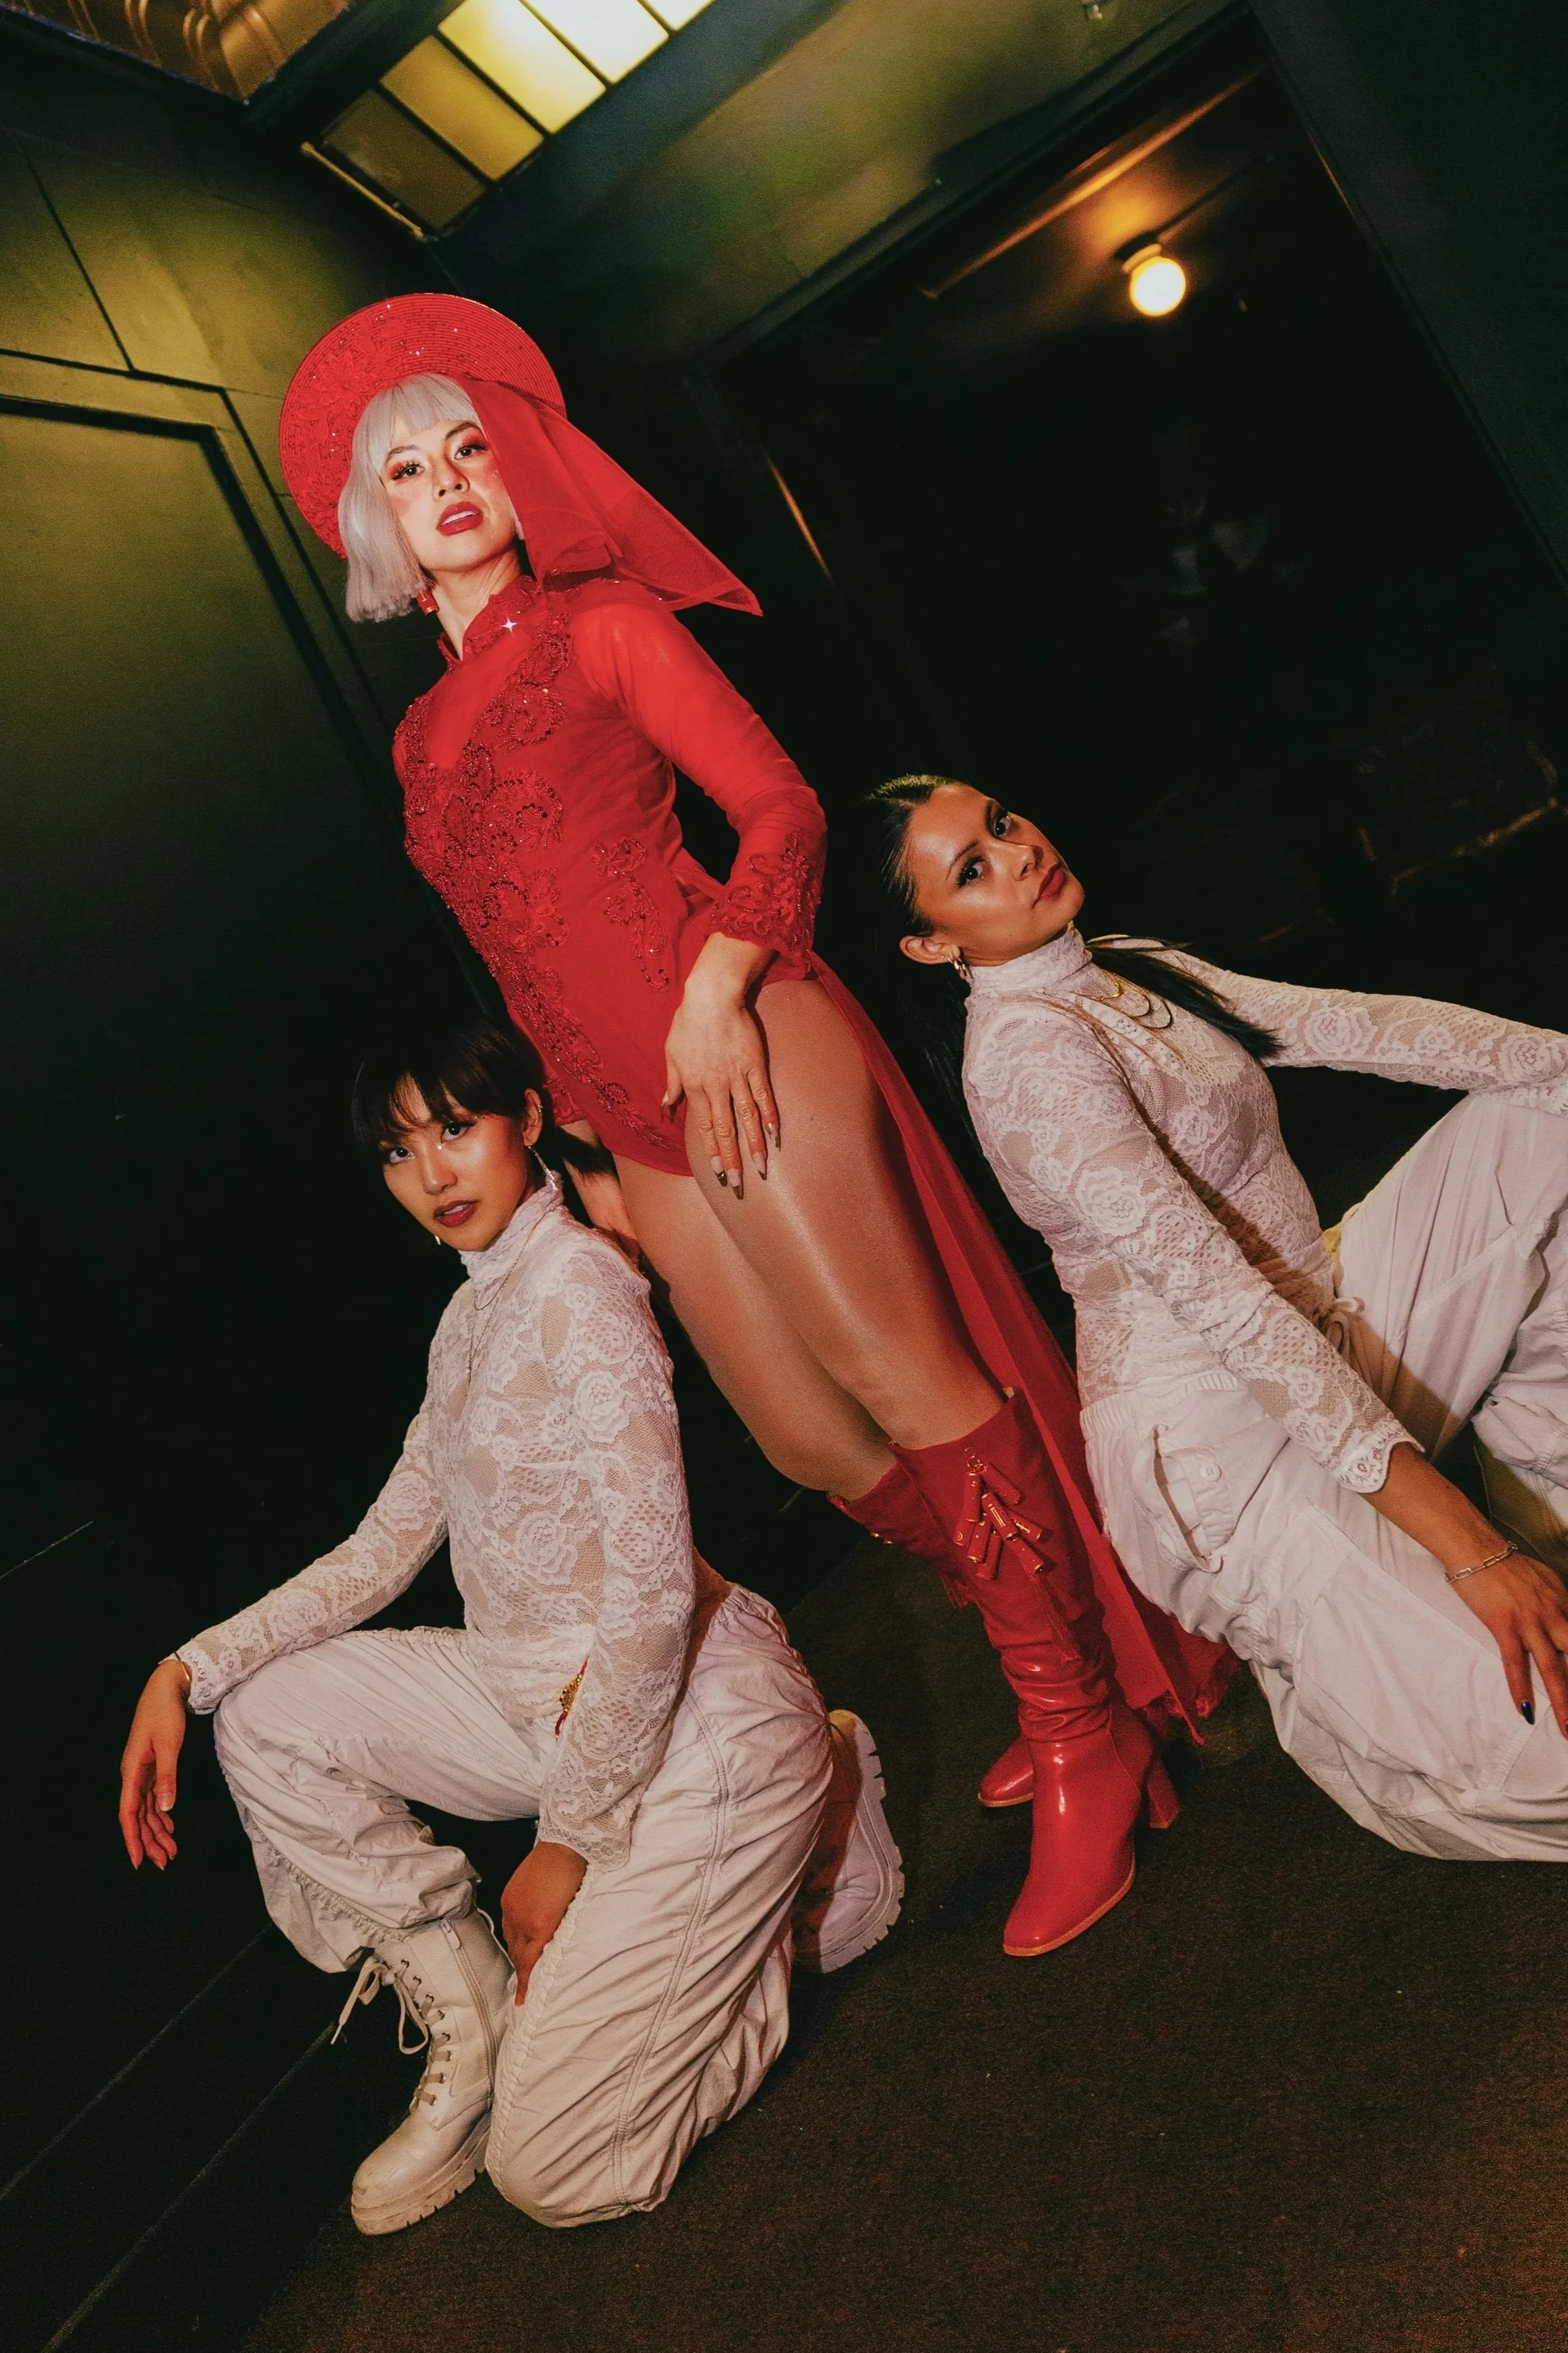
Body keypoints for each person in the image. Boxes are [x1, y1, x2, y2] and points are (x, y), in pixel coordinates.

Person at [274, 293, 1230, 1960]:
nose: (446, 481)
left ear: (518, 472)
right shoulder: (421, 733)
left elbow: (779, 809)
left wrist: (718, 990)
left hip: (743, 1029)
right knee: (804, 1437)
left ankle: (1084, 1728)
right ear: (373, 520)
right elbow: (512, 945)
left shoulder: (605, 623)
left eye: (471, 447)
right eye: (407, 465)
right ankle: (1059, 1638)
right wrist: (579, 1152)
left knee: (910, 1382)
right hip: (620, 1115)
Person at [118, 1012, 903, 2234]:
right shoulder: (468, 1318)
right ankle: (478, 2018)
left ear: (526, 1120)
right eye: (397, 1151)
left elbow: (649, 1596)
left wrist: (565, 1846)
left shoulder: (580, 1287)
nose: (432, 1174)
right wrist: (187, 1668)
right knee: (265, 1715)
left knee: (554, 2173)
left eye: (455, 1128)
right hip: (539, 1703)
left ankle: (816, 1842)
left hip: (696, 1722)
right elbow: (384, 1548)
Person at [872, 772, 1568, 1859]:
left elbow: (1357, 1024)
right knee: (1550, 1748)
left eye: (1001, 824)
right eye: (970, 869)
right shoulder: (1027, 1063)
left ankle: (1550, 1510)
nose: (1015, 854)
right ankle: (1355, 1721)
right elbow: (1226, 1307)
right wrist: (1472, 1556)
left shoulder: (1125, 964)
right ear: (931, 945)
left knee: (1544, 1117)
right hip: (1221, 1459)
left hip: (1330, 1323)